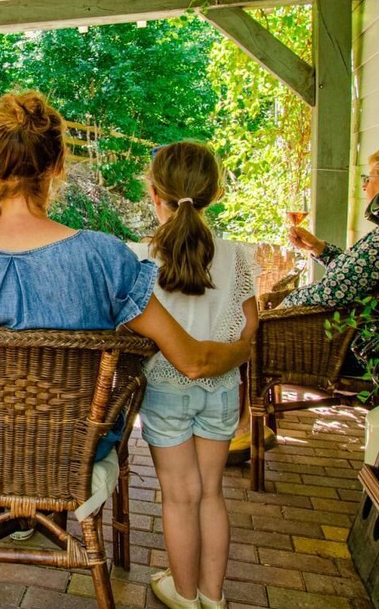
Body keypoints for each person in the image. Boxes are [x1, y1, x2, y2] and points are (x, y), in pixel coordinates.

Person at [0, 91, 252, 451]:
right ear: (58, 165)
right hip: (79, 456)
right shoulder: (104, 257)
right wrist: (245, 350)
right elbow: (192, 361)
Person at [128, 143, 257, 609]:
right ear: (214, 193)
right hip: (221, 389)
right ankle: (212, 596)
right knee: (211, 494)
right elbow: (249, 328)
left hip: (165, 389)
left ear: (153, 193)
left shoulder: (138, 257)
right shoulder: (237, 256)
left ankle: (183, 594)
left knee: (180, 497)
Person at [281, 139, 379, 307]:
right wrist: (317, 247)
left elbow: (335, 290)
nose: (364, 186)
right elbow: (358, 273)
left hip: (354, 322)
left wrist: (284, 304)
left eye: (369, 178)